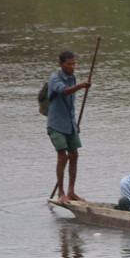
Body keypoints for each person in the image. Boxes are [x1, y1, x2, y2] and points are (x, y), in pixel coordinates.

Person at [46, 50, 90, 201]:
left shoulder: (72, 78)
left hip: (69, 124)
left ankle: (71, 191)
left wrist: (74, 124)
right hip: (56, 125)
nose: (72, 67)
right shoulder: (55, 78)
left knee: (74, 155)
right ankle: (61, 193)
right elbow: (64, 91)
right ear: (61, 64)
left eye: (74, 64)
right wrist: (81, 86)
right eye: (69, 64)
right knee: (62, 156)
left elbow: (71, 104)